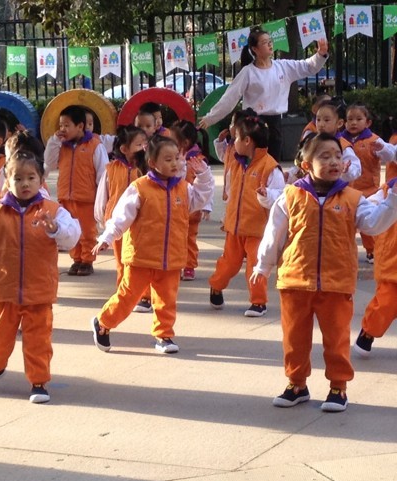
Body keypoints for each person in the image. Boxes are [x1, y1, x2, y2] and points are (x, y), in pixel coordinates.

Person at [252, 133, 397, 412]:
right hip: (295, 281)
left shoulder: (353, 198)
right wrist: (263, 265)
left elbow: (375, 224)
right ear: (306, 165)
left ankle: (338, 387)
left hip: (336, 284)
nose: (334, 161)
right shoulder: (290, 196)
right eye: (325, 156)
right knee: (294, 339)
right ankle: (297, 384)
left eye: (337, 156)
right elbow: (274, 234)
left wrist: (393, 199)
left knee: (336, 340)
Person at [0, 151, 81, 404]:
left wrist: (55, 229)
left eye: (31, 178)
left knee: (38, 341)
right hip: (4, 291)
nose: (25, 184)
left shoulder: (53, 211)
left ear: (41, 180)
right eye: (18, 178)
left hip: (39, 292)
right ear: (7, 180)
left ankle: (38, 381)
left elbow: (72, 236)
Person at [90, 135, 214, 354]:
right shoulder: (139, 188)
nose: (174, 163)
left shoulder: (184, 188)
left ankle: (164, 335)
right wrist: (107, 238)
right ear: (153, 163)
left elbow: (201, 198)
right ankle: (103, 322)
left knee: (167, 301)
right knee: (127, 297)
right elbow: (120, 218)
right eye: (168, 159)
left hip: (171, 258)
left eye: (177, 158)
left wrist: (204, 175)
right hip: (141, 258)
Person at [199, 29, 329, 162]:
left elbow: (308, 66)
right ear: (255, 49)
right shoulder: (248, 72)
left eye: (270, 41)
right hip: (253, 125)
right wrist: (211, 118)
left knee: (272, 163)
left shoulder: (283, 67)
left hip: (275, 124)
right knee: (255, 164)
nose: (270, 44)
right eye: (265, 42)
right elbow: (230, 98)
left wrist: (320, 54)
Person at [208, 115, 285, 317]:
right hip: (234, 227)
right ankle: (216, 285)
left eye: (237, 138)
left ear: (247, 141)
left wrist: (267, 195)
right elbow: (230, 189)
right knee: (228, 265)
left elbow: (281, 195)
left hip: (257, 229)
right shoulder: (235, 161)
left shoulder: (270, 167)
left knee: (257, 266)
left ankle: (258, 302)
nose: (234, 142)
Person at [44, 105, 108, 276]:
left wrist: (102, 198)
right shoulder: (61, 145)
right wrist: (54, 141)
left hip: (86, 199)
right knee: (69, 230)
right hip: (66, 197)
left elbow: (103, 173)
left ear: (80, 126)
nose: (62, 129)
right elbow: (49, 162)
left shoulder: (95, 145)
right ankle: (76, 259)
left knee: (87, 232)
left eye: (67, 125)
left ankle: (87, 260)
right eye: (61, 125)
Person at [341, 103, 396, 263]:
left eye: (358, 119)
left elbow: (390, 156)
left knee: (368, 222)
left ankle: (372, 250)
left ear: (368, 122)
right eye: (350, 119)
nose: (353, 122)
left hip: (369, 188)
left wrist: (382, 149)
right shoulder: (340, 141)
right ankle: (344, 251)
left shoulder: (373, 140)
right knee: (345, 222)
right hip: (346, 190)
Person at [94, 125, 148, 286]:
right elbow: (103, 194)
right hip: (116, 222)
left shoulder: (147, 168)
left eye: (145, 144)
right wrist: (103, 218)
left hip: (140, 223)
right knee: (122, 261)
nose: (144, 148)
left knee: (140, 260)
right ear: (124, 149)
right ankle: (123, 292)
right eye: (139, 145)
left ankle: (144, 293)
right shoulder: (111, 169)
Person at [353, 176, 397, 358]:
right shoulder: (389, 189)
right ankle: (368, 331)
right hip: (392, 262)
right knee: (386, 303)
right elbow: (370, 210)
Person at [170, 119, 214, 281]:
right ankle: (175, 263)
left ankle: (189, 266)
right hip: (175, 207)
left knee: (189, 239)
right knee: (174, 239)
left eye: (172, 140)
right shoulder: (174, 159)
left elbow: (207, 184)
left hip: (192, 210)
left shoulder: (197, 161)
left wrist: (207, 206)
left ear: (185, 143)